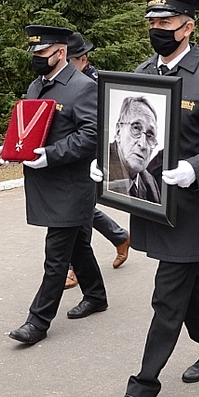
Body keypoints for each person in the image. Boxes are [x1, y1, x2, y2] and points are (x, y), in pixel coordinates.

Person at [94, 0, 199, 397]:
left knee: (167, 292)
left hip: (191, 206)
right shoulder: (142, 73)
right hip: (153, 203)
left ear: (188, 26)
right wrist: (106, 165)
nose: (158, 29)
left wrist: (195, 169)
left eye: (166, 22)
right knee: (186, 280)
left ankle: (141, 390)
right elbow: (125, 131)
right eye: (153, 23)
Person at [8, 25, 109, 346]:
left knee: (56, 256)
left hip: (71, 183)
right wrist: (15, 148)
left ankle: (38, 321)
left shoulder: (83, 87)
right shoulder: (37, 85)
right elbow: (32, 124)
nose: (36, 59)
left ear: (60, 52)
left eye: (42, 53)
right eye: (34, 53)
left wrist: (50, 155)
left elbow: (91, 136)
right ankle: (96, 295)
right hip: (46, 180)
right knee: (77, 243)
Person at [64, 32, 131, 289]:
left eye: (69, 61)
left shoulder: (98, 84)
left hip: (93, 157)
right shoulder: (65, 82)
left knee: (76, 211)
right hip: (70, 155)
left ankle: (75, 268)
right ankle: (119, 236)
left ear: (83, 59)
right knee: (78, 208)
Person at [106, 96, 162, 204]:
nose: (143, 144)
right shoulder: (99, 164)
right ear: (118, 132)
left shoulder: (150, 183)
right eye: (136, 128)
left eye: (150, 135)